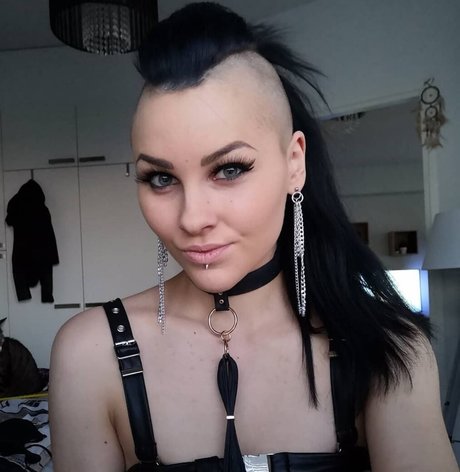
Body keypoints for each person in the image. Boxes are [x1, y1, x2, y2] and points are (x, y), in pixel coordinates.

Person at [49, 2, 458, 471]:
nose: (192, 218)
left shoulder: (387, 348)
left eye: (229, 169)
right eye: (161, 178)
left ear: (294, 163)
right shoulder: (91, 355)